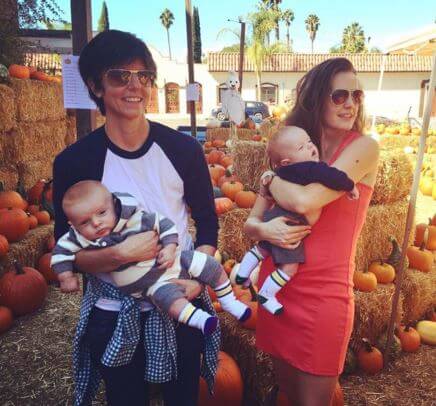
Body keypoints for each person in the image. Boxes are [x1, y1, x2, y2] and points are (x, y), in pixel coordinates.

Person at [52, 30, 222, 406]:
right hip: (114, 311)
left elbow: (208, 222)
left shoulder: (183, 149)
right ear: (96, 85)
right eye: (119, 76)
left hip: (180, 300)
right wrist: (119, 255)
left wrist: (197, 278)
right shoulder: (75, 162)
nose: (135, 86)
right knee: (125, 398)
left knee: (182, 399)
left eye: (143, 76)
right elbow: (66, 247)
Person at [244, 57, 379, 405]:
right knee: (289, 395)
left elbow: (305, 202)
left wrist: (272, 178)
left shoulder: (364, 148)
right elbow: (249, 226)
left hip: (325, 296)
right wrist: (267, 231)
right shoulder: (294, 145)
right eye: (339, 96)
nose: (350, 103)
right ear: (317, 97)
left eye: (356, 95)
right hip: (278, 287)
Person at [52, 181, 250, 335]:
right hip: (150, 285)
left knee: (210, 264)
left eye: (102, 213)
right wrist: (66, 277)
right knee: (169, 299)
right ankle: (199, 320)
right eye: (85, 222)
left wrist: (171, 247)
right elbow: (61, 252)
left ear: (113, 204)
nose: (96, 223)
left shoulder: (135, 218)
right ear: (73, 224)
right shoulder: (78, 237)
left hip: (174, 260)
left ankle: (229, 301)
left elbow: (162, 224)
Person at [236, 126, 359, 315]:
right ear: (287, 161)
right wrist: (349, 185)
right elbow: (331, 175)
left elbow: (268, 184)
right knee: (290, 267)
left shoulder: (280, 172)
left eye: (309, 141)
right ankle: (267, 294)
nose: (310, 147)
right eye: (302, 147)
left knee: (263, 247)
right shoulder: (310, 168)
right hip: (292, 223)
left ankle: (243, 272)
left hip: (274, 217)